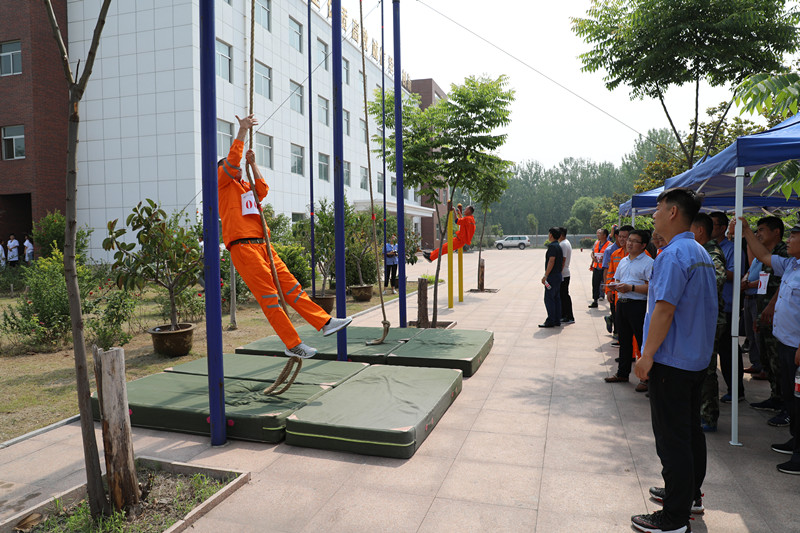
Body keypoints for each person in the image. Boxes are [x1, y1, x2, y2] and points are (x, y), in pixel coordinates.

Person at [218, 114, 352, 359]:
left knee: (292, 288)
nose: (236, 169)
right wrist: (242, 131)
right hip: (243, 248)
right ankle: (292, 343)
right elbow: (232, 161)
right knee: (270, 296)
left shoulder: (245, 187)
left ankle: (325, 323)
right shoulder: (221, 185)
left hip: (264, 246)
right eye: (231, 167)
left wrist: (253, 165)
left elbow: (262, 189)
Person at [632, 188, 717, 533]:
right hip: (695, 360)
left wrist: (647, 355)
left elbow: (664, 310)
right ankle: (688, 495)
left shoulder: (673, 255)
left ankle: (674, 519)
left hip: (672, 361)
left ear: (672, 212)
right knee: (690, 433)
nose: (653, 215)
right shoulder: (699, 251)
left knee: (672, 440)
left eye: (658, 208)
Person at [737, 218, 800, 474]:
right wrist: (746, 231)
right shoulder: (791, 264)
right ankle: (796, 440)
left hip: (797, 348)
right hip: (785, 342)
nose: (788, 240)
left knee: (799, 399)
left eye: (793, 236)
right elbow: (763, 255)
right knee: (791, 396)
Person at [740, 216, 790, 426]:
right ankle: (776, 397)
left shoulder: (785, 254)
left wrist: (769, 307)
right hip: (764, 314)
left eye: (761, 230)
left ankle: (787, 406)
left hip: (778, 317)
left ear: (776, 232)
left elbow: (782, 284)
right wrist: (760, 313)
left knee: (780, 363)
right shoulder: (768, 255)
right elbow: (763, 281)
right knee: (768, 359)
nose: (758, 234)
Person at [691, 213, 727, 433]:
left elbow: (717, 279)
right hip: (700, 318)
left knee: (707, 369)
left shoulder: (711, 253)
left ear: (700, 231)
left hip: (709, 320)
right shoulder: (700, 251)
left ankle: (708, 415)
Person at [604, 229, 653, 383]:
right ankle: (622, 373)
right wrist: (614, 286)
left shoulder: (649, 263)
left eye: (634, 241)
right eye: (628, 240)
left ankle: (646, 379)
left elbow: (652, 287)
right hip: (622, 304)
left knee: (641, 341)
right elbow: (618, 280)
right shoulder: (624, 261)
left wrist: (631, 288)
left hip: (638, 305)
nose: (629, 243)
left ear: (643, 245)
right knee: (624, 341)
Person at [709, 212, 745, 404]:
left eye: (713, 225)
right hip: (711, 306)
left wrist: (711, 269)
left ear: (722, 228)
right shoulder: (706, 248)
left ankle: (736, 389)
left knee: (728, 349)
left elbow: (735, 274)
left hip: (727, 305)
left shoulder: (732, 249)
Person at [605, 225, 633, 342]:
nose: (621, 239)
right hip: (618, 295)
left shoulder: (641, 255)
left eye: (624, 237)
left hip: (633, 295)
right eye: (620, 236)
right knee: (620, 322)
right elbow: (610, 273)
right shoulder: (615, 254)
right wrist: (608, 290)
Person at [539, 227, 563, 328]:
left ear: (551, 235)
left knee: (549, 298)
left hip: (552, 276)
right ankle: (557, 319)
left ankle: (551, 320)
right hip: (558, 275)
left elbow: (551, 261)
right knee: (556, 298)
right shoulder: (558, 246)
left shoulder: (552, 247)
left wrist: (545, 275)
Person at [589, 228, 610, 308]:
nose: (598, 235)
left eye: (600, 233)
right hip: (596, 267)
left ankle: (610, 300)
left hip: (605, 268)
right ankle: (595, 300)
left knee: (606, 284)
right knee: (595, 284)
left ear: (604, 235)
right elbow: (592, 252)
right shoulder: (596, 243)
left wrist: (604, 259)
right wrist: (593, 257)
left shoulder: (609, 244)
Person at [558, 227, 574, 324]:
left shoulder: (563, 244)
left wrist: (559, 272)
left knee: (564, 296)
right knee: (564, 295)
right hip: (565, 273)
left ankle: (568, 316)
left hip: (563, 273)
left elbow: (563, 260)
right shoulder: (566, 242)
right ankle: (565, 315)